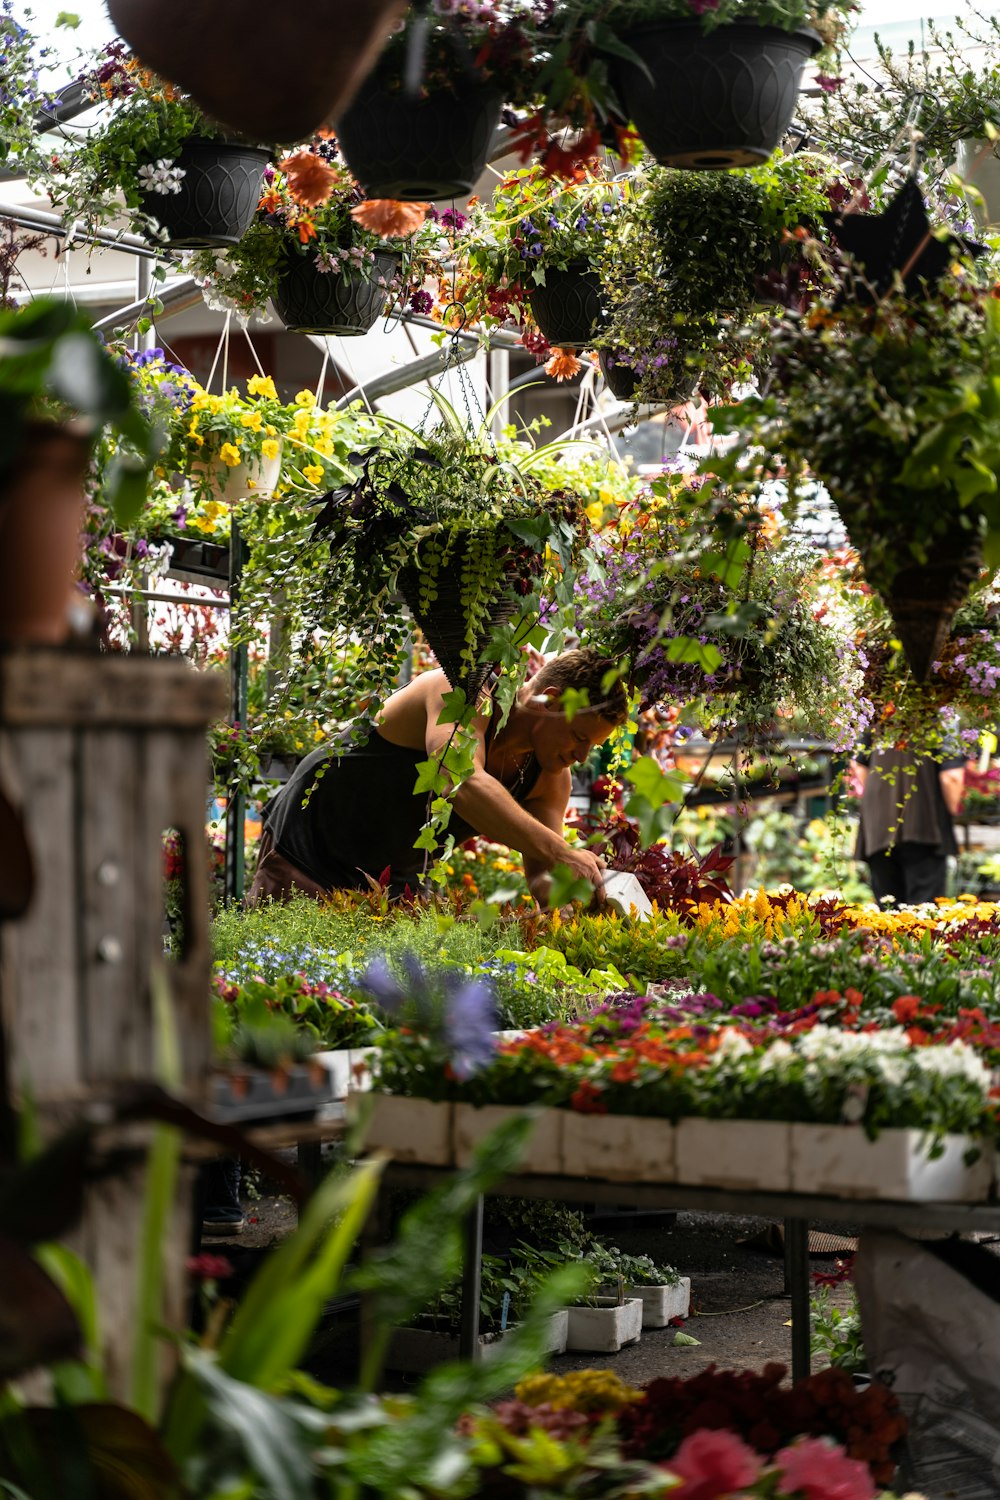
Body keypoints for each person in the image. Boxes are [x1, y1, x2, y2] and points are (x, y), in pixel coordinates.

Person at [248, 649, 629, 908]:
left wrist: (580, 890)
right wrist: (561, 852)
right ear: (551, 700)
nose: (581, 757)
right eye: (580, 737)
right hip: (310, 846)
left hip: (390, 878)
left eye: (591, 747)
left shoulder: (549, 778)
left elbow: (543, 879)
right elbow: (458, 780)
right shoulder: (462, 693)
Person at [850, 742, 965, 904]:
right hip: (925, 827)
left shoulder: (876, 718)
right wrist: (954, 809)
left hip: (877, 830)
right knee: (923, 916)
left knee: (888, 915)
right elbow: (951, 777)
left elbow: (859, 765)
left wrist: (882, 798)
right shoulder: (941, 719)